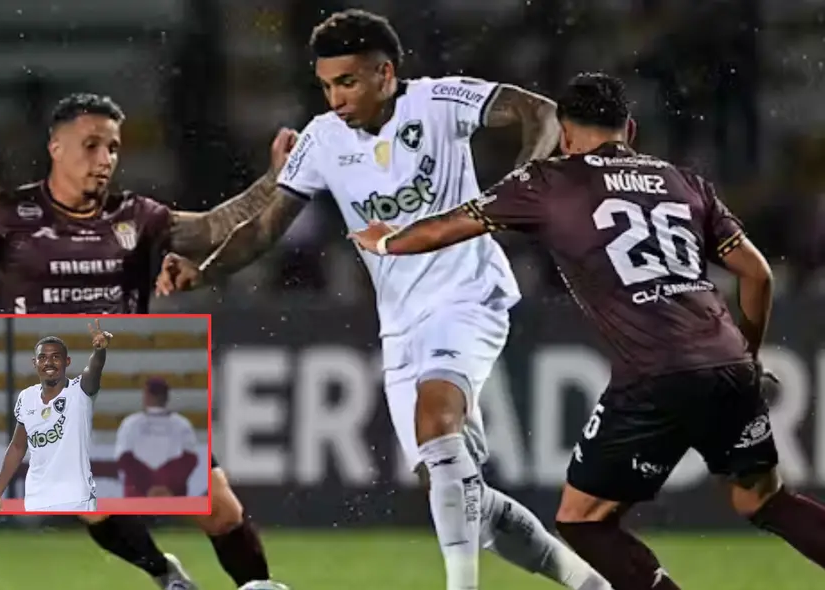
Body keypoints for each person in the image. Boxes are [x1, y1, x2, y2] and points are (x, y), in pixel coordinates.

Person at [156, 9, 610, 590]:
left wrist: (515, 190)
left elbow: (539, 111)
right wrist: (205, 270)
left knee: (436, 421)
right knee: (460, 493)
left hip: (467, 293)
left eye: (347, 82)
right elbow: (265, 227)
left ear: (385, 73)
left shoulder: (439, 101)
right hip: (400, 325)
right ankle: (586, 583)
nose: (336, 97)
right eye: (326, 85)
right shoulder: (322, 139)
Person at [348, 72, 825, 589]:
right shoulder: (682, 180)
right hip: (729, 360)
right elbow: (757, 273)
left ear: (566, 136)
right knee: (762, 498)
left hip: (655, 370)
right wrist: (747, 358)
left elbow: (448, 227)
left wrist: (386, 243)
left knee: (583, 520)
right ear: (630, 130)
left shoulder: (549, 181)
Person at [0, 92, 292, 590]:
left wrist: (274, 181)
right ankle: (165, 575)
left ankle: (258, 586)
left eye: (112, 147)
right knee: (86, 504)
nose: (105, 159)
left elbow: (214, 227)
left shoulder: (136, 216)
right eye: (90, 145)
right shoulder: (7, 217)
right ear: (55, 147)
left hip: (131, 385)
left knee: (217, 509)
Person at [0, 325, 111, 512]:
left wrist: (99, 351)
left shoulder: (80, 391)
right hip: (36, 499)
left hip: (76, 498)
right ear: (34, 363)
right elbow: (17, 447)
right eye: (42, 357)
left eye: (56, 357)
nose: (49, 362)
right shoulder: (26, 397)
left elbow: (94, 369)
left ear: (67, 361)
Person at [115, 377, 201, 499]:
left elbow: (124, 459)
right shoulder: (182, 424)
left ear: (146, 396)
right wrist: (166, 485)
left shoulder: (131, 424)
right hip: (172, 494)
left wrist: (148, 486)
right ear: (167, 397)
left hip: (138, 495)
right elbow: (189, 460)